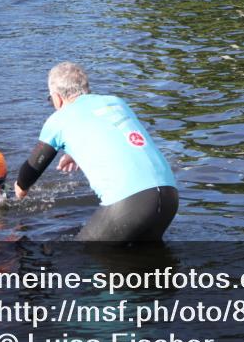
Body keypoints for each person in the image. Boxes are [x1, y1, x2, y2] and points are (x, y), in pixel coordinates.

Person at [14, 62, 179, 242]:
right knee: (149, 260)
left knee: (84, 258)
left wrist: (19, 191)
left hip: (129, 202)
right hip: (169, 195)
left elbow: (31, 170)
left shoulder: (58, 120)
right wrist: (74, 151)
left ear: (57, 97)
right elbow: (114, 134)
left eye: (50, 98)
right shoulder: (116, 102)